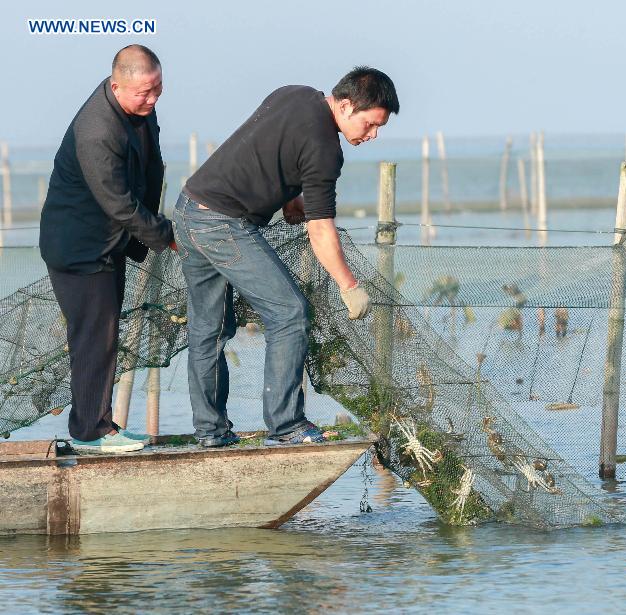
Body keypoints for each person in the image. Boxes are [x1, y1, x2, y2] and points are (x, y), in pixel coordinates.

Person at [174, 66, 399, 447]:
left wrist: (292, 198)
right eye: (370, 123)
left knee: (209, 330)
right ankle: (287, 425)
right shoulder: (327, 150)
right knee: (290, 312)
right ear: (345, 106)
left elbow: (273, 146)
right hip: (222, 222)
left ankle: (211, 434)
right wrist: (349, 286)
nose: (373, 135)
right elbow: (320, 230)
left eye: (379, 128)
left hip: (189, 210)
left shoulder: (295, 94)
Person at [39, 45, 175, 454]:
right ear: (116, 85)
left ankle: (98, 425)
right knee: (95, 338)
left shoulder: (140, 111)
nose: (152, 100)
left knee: (103, 334)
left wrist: (149, 230)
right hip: (78, 246)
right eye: (143, 93)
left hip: (109, 242)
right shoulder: (96, 129)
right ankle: (91, 432)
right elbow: (116, 201)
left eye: (158, 89)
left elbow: (153, 167)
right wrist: (164, 235)